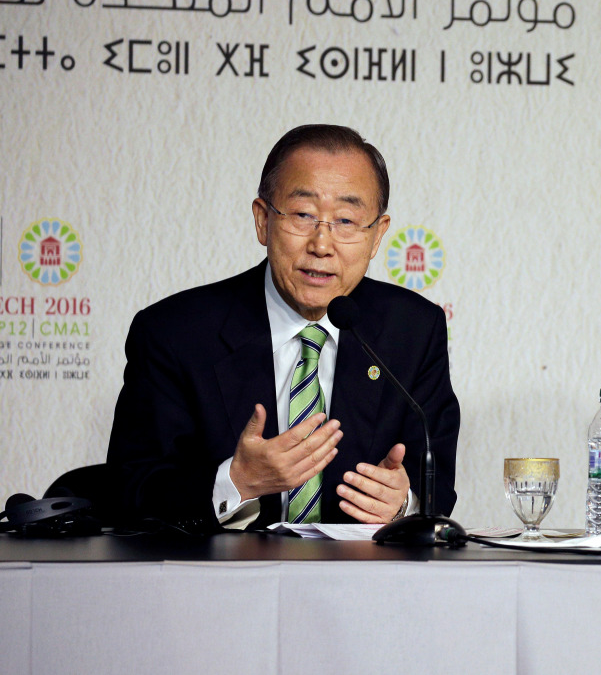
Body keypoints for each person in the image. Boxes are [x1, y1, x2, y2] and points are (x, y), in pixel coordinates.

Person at [107, 124, 459, 533]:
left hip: (363, 587)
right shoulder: (174, 333)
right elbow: (128, 491)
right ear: (263, 221)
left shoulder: (413, 330)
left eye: (346, 220)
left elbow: (436, 492)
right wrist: (236, 483)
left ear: (377, 235)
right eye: (304, 215)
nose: (322, 244)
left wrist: (403, 506)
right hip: (217, 584)